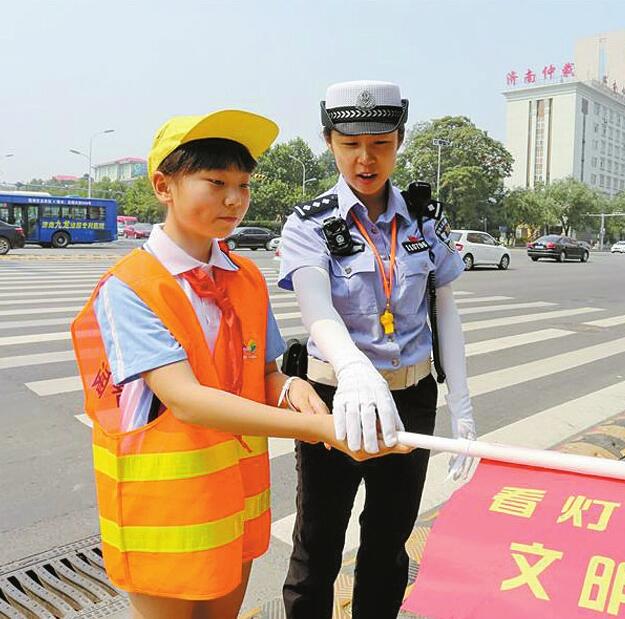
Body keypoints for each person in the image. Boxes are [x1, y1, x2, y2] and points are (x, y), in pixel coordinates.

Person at [70, 109, 405, 619]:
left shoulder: (244, 277)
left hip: (232, 507)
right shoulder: (131, 287)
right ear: (163, 186)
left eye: (243, 185)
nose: (234, 199)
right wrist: (319, 429)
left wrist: (291, 388)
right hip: (164, 519)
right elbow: (186, 400)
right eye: (216, 182)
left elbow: (262, 373)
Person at [278, 81, 477, 618]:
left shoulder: (424, 220)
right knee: (318, 542)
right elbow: (316, 307)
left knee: (389, 541)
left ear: (399, 140)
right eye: (350, 144)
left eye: (380, 144)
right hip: (334, 401)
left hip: (411, 399)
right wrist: (354, 370)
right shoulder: (310, 222)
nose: (365, 159)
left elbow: (445, 309)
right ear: (329, 142)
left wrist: (461, 405)